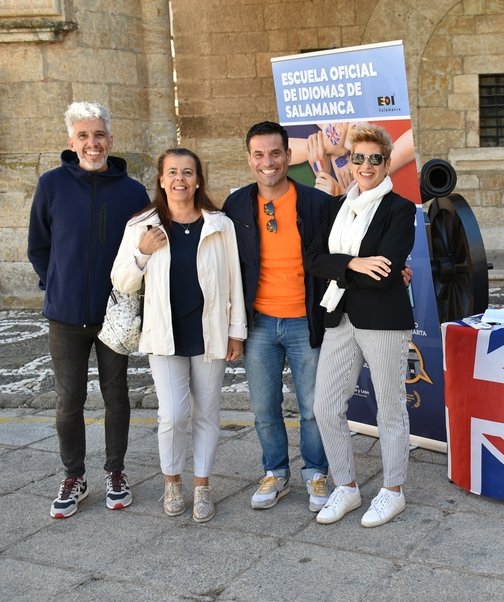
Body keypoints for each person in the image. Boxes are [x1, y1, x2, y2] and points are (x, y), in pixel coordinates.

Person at [27, 102, 150, 519]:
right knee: (68, 400)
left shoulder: (133, 192)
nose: (92, 143)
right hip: (64, 317)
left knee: (116, 396)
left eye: (98, 135)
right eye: (83, 136)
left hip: (114, 315)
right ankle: (73, 476)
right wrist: (55, 284)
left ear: (110, 140)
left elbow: (145, 247)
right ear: (71, 141)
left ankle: (115, 471)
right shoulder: (51, 185)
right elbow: (38, 246)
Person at [111, 148, 246, 522]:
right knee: (172, 415)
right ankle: (173, 483)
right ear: (161, 179)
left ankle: (202, 486)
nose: (179, 179)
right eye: (172, 172)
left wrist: (237, 332)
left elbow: (234, 281)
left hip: (210, 334)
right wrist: (141, 252)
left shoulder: (220, 225)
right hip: (165, 335)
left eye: (187, 172)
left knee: (207, 414)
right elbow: (121, 281)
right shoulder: (143, 225)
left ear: (198, 179)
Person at [306, 124, 416, 528]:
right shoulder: (335, 208)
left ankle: (393, 491)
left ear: (387, 164)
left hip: (383, 320)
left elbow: (386, 274)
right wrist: (353, 263)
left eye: (374, 158)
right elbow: (313, 259)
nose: (365, 165)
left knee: (389, 409)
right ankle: (347, 487)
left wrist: (343, 267)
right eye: (358, 158)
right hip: (340, 315)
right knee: (325, 406)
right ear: (348, 162)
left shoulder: (399, 209)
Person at [222, 121, 334, 512]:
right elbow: (225, 266)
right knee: (264, 407)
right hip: (260, 324)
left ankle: (316, 473)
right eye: (259, 154)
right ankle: (275, 473)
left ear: (289, 156)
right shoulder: (235, 206)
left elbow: (343, 249)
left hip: (307, 321)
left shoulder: (316, 203)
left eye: (275, 153)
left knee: (313, 407)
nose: (267, 162)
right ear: (249, 159)